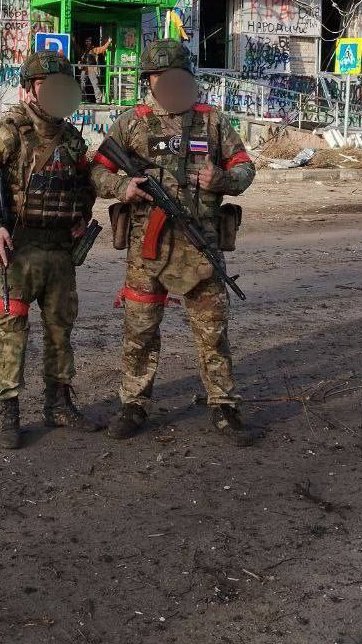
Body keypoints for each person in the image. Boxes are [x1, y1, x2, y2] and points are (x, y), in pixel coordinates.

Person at [89, 38, 259, 446]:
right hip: (147, 248)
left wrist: (224, 179)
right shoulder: (131, 123)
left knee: (212, 330)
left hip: (201, 244)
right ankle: (133, 404)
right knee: (140, 329)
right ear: (149, 81)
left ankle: (223, 404)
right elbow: (97, 170)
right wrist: (122, 187)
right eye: (162, 78)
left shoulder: (212, 121)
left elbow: (245, 168)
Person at [0, 50, 103, 449]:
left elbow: (87, 183)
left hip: (60, 252)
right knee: (11, 333)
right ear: (29, 90)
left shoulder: (72, 139)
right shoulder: (8, 133)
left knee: (61, 330)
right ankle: (10, 413)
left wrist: (82, 214)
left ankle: (59, 404)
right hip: (17, 252)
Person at [79, 34, 112, 103]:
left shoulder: (94, 49)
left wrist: (108, 42)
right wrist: (73, 41)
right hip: (84, 69)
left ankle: (98, 99)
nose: (88, 43)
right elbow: (77, 49)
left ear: (91, 42)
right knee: (82, 83)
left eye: (89, 41)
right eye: (86, 41)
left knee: (95, 84)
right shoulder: (84, 50)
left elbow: (103, 48)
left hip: (91, 69)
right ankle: (83, 98)